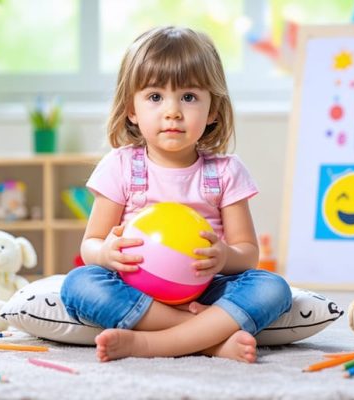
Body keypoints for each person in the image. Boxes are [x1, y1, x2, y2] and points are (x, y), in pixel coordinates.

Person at [60, 26, 291, 363]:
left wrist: (225, 256)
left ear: (213, 109)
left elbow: (247, 254)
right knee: (79, 284)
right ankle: (207, 340)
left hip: (206, 290)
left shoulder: (226, 171)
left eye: (189, 97)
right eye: (155, 97)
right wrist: (107, 253)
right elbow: (91, 243)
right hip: (136, 289)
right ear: (132, 110)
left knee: (273, 288)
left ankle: (149, 344)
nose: (172, 111)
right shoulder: (120, 166)